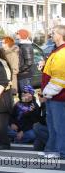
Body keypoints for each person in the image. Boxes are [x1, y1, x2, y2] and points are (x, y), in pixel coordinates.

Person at [41, 25, 65, 159]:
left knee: (59, 125)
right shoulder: (58, 50)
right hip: (54, 96)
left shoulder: (62, 52)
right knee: (53, 125)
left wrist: (47, 93)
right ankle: (54, 150)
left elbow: (60, 76)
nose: (51, 35)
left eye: (53, 33)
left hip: (58, 96)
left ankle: (61, 151)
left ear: (60, 35)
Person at [16, 29, 34, 97]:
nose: (16, 35)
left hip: (25, 76)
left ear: (22, 35)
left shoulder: (26, 46)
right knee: (22, 96)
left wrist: (19, 70)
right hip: (22, 75)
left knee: (27, 97)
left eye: (18, 33)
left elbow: (29, 63)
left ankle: (33, 107)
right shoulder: (21, 45)